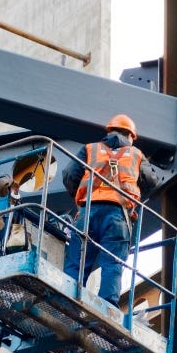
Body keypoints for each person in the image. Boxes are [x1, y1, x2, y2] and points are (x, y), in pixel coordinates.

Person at [62, 113, 160, 306]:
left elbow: (69, 175)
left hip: (88, 210)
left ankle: (65, 300)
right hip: (118, 215)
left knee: (77, 261)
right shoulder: (136, 155)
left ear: (109, 131)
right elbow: (151, 181)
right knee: (112, 264)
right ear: (130, 136)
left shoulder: (90, 149)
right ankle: (107, 307)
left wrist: (81, 197)